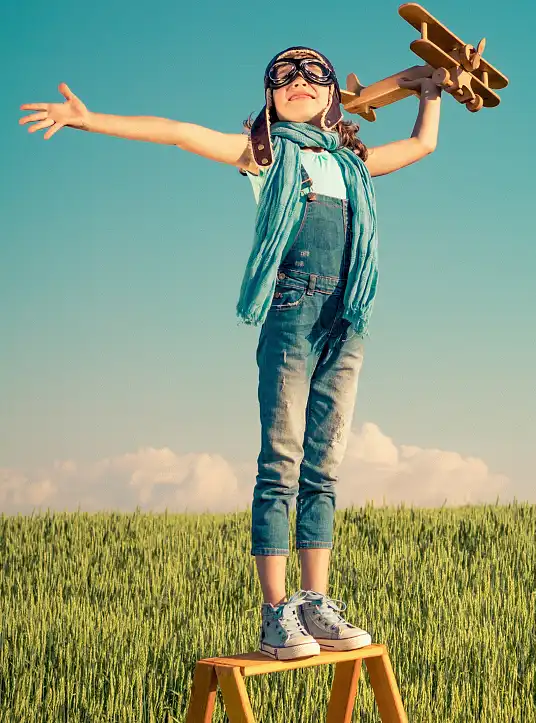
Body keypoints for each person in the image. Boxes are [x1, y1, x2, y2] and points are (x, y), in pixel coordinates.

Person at [18, 45, 442, 661]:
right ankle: (276, 614)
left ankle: (316, 604)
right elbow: (179, 133)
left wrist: (432, 94)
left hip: (346, 319)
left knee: (324, 467)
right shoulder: (263, 154)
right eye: (284, 77)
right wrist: (90, 119)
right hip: (292, 316)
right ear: (269, 96)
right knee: (282, 462)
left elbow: (422, 147)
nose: (299, 82)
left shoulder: (353, 160)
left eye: (314, 75)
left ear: (332, 97)